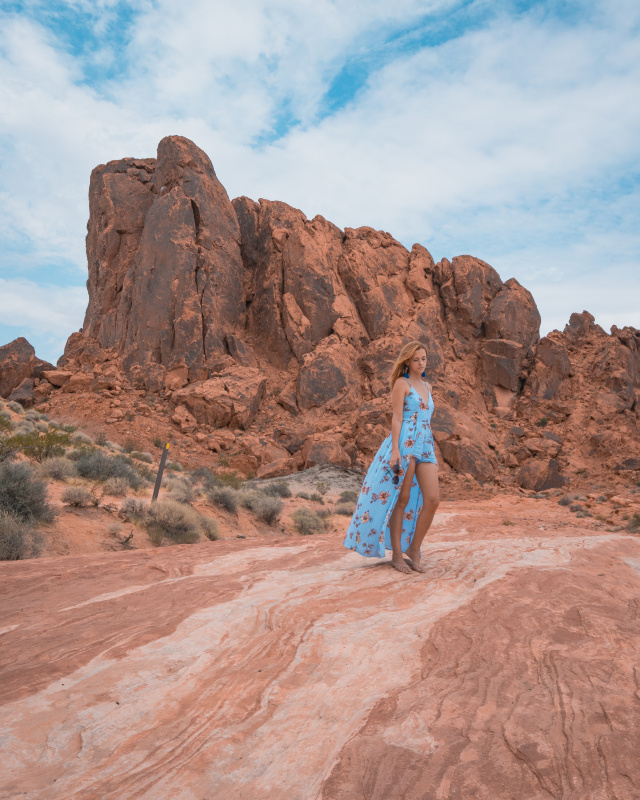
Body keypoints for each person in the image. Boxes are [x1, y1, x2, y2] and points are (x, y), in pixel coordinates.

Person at [343, 341, 440, 574]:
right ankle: (397, 554)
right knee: (402, 497)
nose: (420, 362)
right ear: (407, 361)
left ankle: (414, 548)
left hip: (425, 444)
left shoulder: (427, 386)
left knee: (433, 499)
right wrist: (395, 451)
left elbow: (426, 418)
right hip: (405, 444)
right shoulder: (402, 383)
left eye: (424, 358)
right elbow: (397, 418)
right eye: (416, 359)